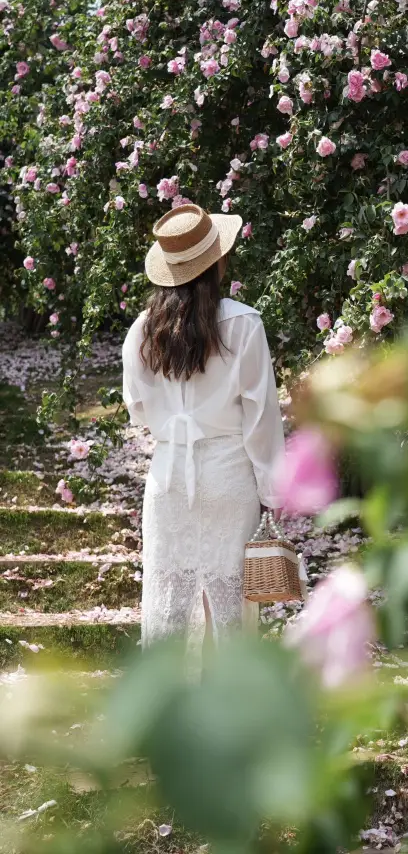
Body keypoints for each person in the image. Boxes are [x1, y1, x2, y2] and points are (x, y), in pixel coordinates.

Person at [122, 203, 285, 668]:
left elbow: (137, 408)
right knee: (229, 601)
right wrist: (272, 486)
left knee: (169, 595)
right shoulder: (242, 322)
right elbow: (261, 414)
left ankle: (169, 712)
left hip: (170, 476)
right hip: (228, 473)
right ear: (216, 261)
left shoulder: (142, 330)